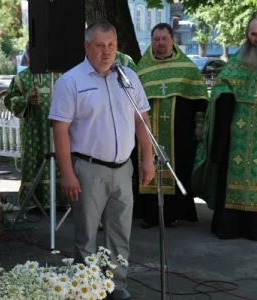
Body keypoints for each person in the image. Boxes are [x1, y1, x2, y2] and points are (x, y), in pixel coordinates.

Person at [49, 20, 154, 300]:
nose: (106, 52)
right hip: (87, 169)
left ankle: (116, 286)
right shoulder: (70, 81)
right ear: (87, 47)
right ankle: (86, 289)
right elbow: (60, 129)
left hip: (123, 168)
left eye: (111, 45)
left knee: (120, 234)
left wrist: (148, 159)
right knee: (86, 237)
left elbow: (141, 120)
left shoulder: (128, 77)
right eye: (99, 46)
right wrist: (67, 173)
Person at [135, 23, 209, 229]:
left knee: (178, 169)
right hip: (148, 131)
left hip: (179, 133)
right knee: (148, 168)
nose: (160, 43)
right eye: (156, 39)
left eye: (164, 39)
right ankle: (149, 215)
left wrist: (199, 124)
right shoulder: (142, 69)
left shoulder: (187, 68)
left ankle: (174, 214)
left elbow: (200, 99)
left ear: (172, 40)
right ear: (151, 41)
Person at [193, 16, 257, 240]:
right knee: (232, 175)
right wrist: (225, 94)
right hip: (237, 131)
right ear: (247, 35)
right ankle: (231, 226)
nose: (256, 39)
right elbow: (222, 84)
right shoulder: (238, 60)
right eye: (253, 34)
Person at [4, 43, 66, 208]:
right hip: (33, 131)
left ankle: (61, 200)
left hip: (59, 131)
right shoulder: (22, 77)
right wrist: (26, 101)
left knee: (62, 160)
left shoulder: (62, 75)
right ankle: (33, 201)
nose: (34, 54)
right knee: (35, 161)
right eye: (31, 51)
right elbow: (9, 100)